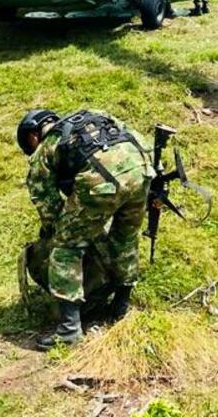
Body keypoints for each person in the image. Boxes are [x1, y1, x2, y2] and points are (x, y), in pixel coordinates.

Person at [17, 109, 153, 350]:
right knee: (125, 238)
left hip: (102, 182)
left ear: (32, 137)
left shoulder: (47, 147)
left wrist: (61, 230)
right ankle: (120, 310)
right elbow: (129, 133)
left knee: (66, 248)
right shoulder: (91, 118)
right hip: (142, 168)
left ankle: (69, 330)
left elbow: (48, 207)